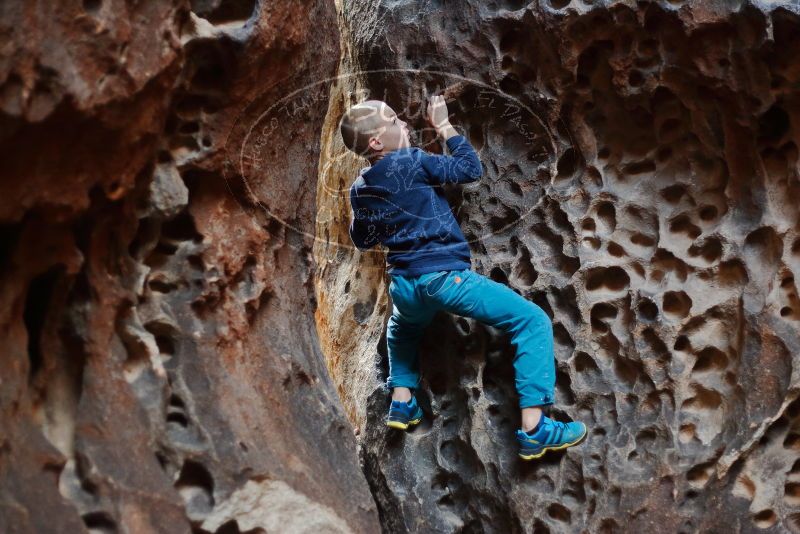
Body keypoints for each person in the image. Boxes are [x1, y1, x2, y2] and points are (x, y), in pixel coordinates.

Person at [338, 94, 587, 459]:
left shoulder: (360, 188)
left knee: (401, 329)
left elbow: (362, 239)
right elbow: (469, 170)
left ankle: (403, 400)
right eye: (393, 120)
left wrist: (366, 209)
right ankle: (535, 427)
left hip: (405, 286)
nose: (403, 124)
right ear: (376, 141)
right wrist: (443, 126)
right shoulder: (413, 161)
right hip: (443, 279)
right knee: (531, 320)